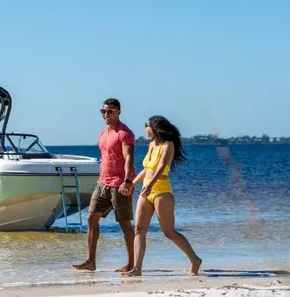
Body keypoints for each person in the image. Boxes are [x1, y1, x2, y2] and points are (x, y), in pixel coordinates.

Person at [122, 115, 202, 276]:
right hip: (146, 190)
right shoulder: (152, 144)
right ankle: (137, 269)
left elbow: (162, 166)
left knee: (169, 232)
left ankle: (195, 259)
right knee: (139, 229)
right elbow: (147, 169)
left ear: (154, 127)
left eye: (147, 126)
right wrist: (132, 184)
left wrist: (150, 185)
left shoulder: (168, 144)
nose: (145, 130)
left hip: (161, 191)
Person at [72, 98, 136, 273]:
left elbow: (129, 158)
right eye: (103, 112)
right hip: (103, 183)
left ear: (118, 112)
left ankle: (131, 263)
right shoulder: (103, 134)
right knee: (92, 217)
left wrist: (128, 181)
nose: (106, 115)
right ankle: (90, 261)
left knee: (124, 224)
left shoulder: (125, 133)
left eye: (110, 111)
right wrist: (101, 178)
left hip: (120, 184)